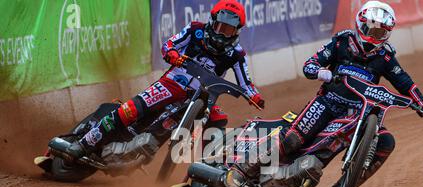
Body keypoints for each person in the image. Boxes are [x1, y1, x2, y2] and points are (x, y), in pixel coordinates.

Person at [224, 1, 423, 187]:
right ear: (360, 24)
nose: (372, 37)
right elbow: (309, 65)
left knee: (386, 141)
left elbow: (405, 83)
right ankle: (240, 171)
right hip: (327, 103)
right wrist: (320, 72)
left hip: (356, 114)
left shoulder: (386, 57)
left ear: (387, 35)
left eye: (379, 33)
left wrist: (422, 105)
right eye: (370, 30)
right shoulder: (342, 42)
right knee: (292, 140)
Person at [52, 0, 264, 160]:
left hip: (201, 97)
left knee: (218, 119)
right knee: (130, 111)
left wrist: (254, 96)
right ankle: (83, 144)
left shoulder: (236, 54)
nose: (222, 34)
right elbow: (168, 45)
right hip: (172, 84)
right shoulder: (194, 30)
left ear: (237, 31)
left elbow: (246, 82)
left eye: (228, 30)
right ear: (212, 22)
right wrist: (172, 54)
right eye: (220, 27)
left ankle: (209, 169)